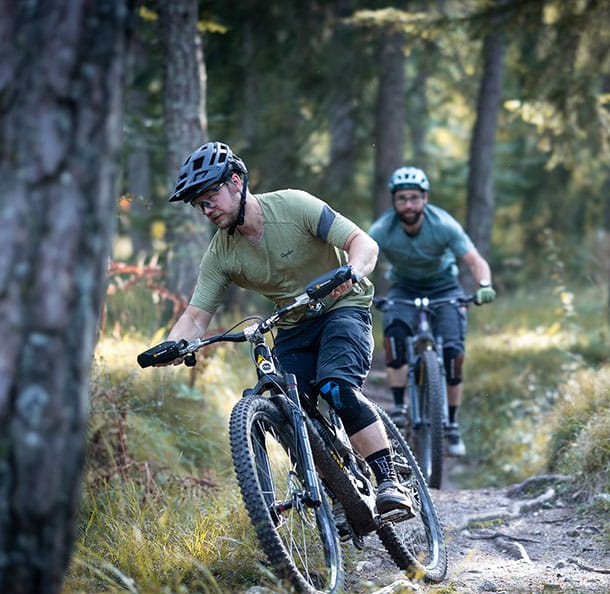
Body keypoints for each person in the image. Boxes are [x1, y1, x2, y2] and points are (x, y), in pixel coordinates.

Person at [156, 141, 410, 514]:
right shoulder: (221, 253)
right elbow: (196, 316)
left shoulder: (293, 206)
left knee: (335, 386)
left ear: (237, 182)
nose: (207, 210)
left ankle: (390, 481)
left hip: (343, 306)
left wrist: (352, 271)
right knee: (287, 409)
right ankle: (337, 486)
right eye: (200, 204)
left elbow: (363, 243)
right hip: (293, 324)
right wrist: (172, 345)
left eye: (211, 197)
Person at [369, 166, 495, 458]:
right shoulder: (382, 229)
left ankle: (451, 424)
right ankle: (399, 407)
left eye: (414, 198)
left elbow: (475, 260)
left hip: (444, 287)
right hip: (404, 287)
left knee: (452, 353)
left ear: (425, 199)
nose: (409, 205)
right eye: (402, 199)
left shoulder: (443, 225)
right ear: (394, 202)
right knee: (396, 336)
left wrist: (484, 284)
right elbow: (363, 254)